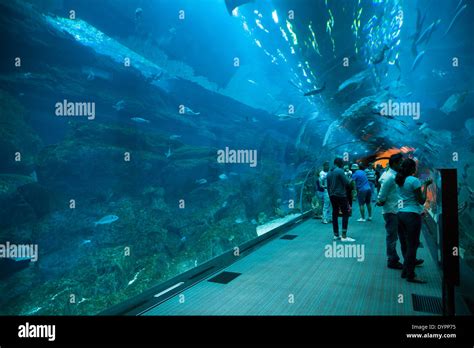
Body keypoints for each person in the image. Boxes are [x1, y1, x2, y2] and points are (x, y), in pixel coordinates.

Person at [395, 158, 432, 283]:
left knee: (405, 243)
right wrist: (426, 186)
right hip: (412, 215)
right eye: (415, 166)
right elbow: (421, 200)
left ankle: (406, 270)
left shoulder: (399, 179)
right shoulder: (414, 180)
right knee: (413, 245)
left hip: (400, 214)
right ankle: (410, 274)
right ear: (411, 168)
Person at [376, 153, 404, 269]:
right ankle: (392, 260)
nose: (402, 165)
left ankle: (408, 258)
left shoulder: (394, 175)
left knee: (399, 235)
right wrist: (380, 200)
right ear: (394, 164)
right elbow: (382, 193)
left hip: (396, 209)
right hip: (391, 210)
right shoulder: (389, 177)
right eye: (400, 163)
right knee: (392, 236)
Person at [327, 158, 355, 242]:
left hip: (332, 195)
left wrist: (330, 195)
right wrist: (351, 180)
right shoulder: (340, 171)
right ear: (340, 163)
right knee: (345, 213)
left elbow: (328, 186)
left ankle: (336, 235)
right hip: (341, 195)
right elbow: (347, 183)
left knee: (334, 213)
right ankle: (344, 236)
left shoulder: (329, 173)